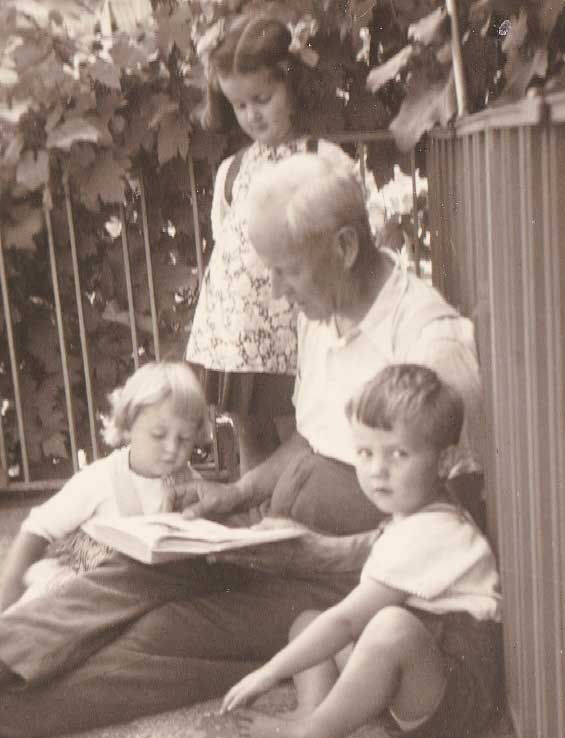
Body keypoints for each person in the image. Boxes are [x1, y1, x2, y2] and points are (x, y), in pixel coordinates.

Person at [0, 151, 486, 738]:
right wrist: (230, 499)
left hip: (353, 578)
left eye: (287, 272)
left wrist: (325, 554)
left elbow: (451, 514)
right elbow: (311, 438)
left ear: (346, 247)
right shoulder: (323, 310)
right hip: (287, 538)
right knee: (132, 574)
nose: (278, 293)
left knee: (166, 632)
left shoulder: (429, 343)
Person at [221, 364, 502, 738]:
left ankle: (314, 731)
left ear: (445, 462)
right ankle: (312, 710)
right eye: (365, 453)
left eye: (399, 454)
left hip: (455, 693)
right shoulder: (412, 516)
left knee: (387, 625)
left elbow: (347, 621)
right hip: (418, 665)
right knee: (307, 620)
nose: (377, 470)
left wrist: (271, 671)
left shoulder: (434, 530)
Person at [186, 12, 349, 474]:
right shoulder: (232, 171)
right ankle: (262, 534)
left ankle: (292, 519)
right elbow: (227, 243)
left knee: (300, 437)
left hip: (293, 333)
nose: (252, 115)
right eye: (239, 105)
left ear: (292, 87)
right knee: (250, 441)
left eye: (263, 98)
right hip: (237, 337)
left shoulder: (323, 159)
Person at [0, 361, 209, 612]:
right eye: (158, 435)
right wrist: (6, 598)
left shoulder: (192, 483)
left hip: (143, 595)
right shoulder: (101, 479)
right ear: (129, 425)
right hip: (85, 588)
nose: (172, 448)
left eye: (184, 438)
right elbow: (38, 528)